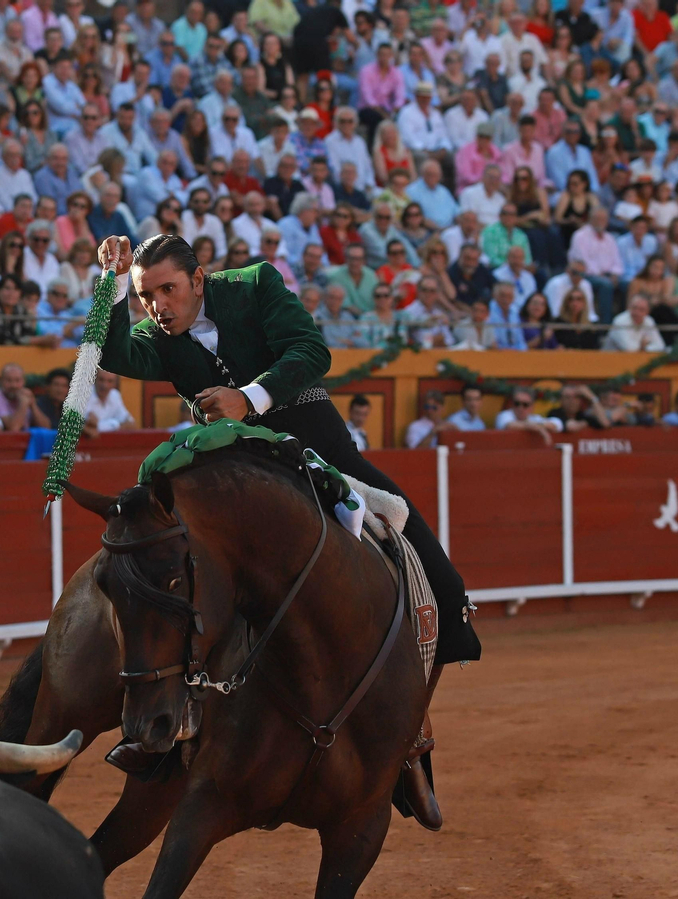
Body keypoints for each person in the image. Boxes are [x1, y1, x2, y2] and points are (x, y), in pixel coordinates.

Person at [96, 232, 477, 830]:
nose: (158, 306)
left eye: (167, 290)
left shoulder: (254, 285)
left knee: (443, 587)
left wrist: (250, 398)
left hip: (321, 453)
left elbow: (309, 351)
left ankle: (409, 741)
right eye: (147, 297)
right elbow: (114, 353)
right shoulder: (154, 336)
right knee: (183, 583)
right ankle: (172, 733)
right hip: (240, 477)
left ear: (200, 280)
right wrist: (113, 284)